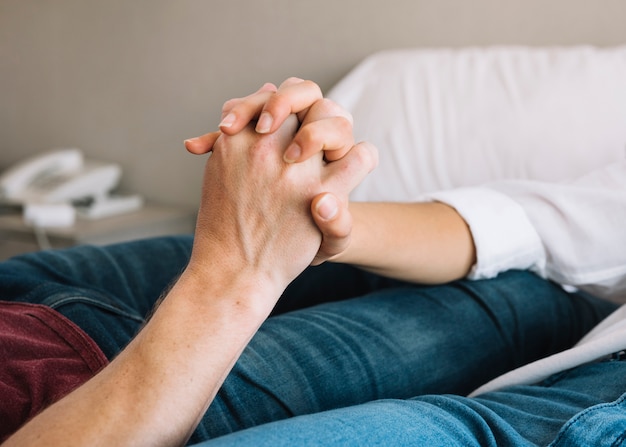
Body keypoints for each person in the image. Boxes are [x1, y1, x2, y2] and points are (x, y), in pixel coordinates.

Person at [1, 78, 625, 446]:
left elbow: (530, 230)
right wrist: (238, 269)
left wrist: (313, 222)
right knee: (531, 296)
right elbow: (541, 230)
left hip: (26, 312)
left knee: (527, 295)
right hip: (88, 389)